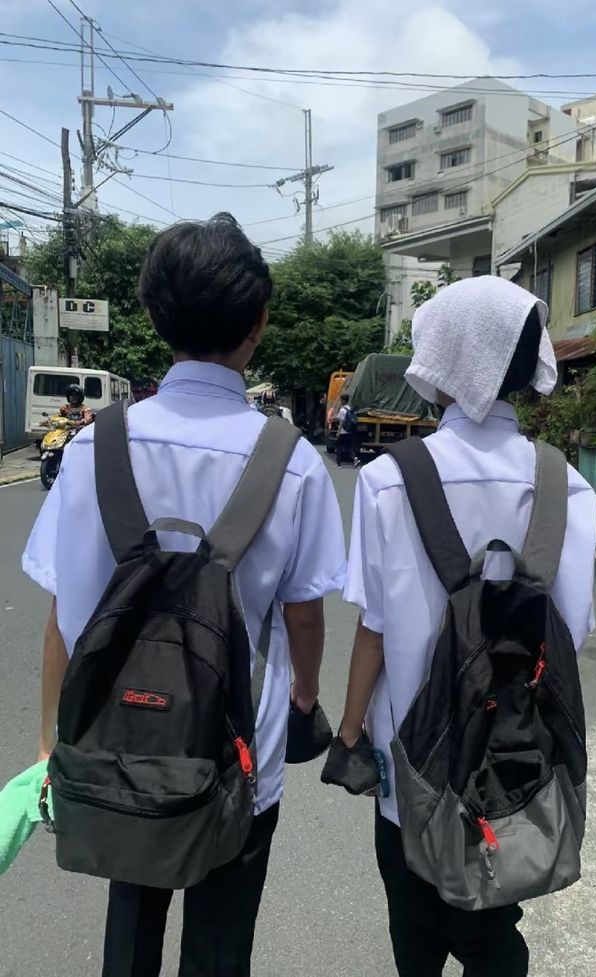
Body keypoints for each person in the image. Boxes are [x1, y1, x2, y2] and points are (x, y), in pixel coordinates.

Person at [22, 213, 346, 977]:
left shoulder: (92, 448)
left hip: (120, 752)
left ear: (153, 314)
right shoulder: (293, 464)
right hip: (241, 753)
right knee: (220, 947)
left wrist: (49, 743)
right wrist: (303, 698)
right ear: (258, 323)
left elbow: (64, 619)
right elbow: (304, 614)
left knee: (130, 932)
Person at [326, 276, 596, 977]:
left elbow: (374, 631)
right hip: (514, 756)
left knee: (413, 922)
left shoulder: (391, 481)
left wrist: (350, 734)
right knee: (493, 918)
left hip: (412, 763)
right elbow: (572, 630)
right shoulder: (565, 485)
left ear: (441, 359)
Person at [335, 393, 359, 468]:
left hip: (343, 432)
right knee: (349, 447)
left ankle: (338, 463)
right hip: (350, 431)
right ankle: (355, 459)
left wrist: (338, 433)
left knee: (339, 447)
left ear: (342, 400)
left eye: (341, 400)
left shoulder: (342, 410)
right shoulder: (350, 409)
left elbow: (341, 422)